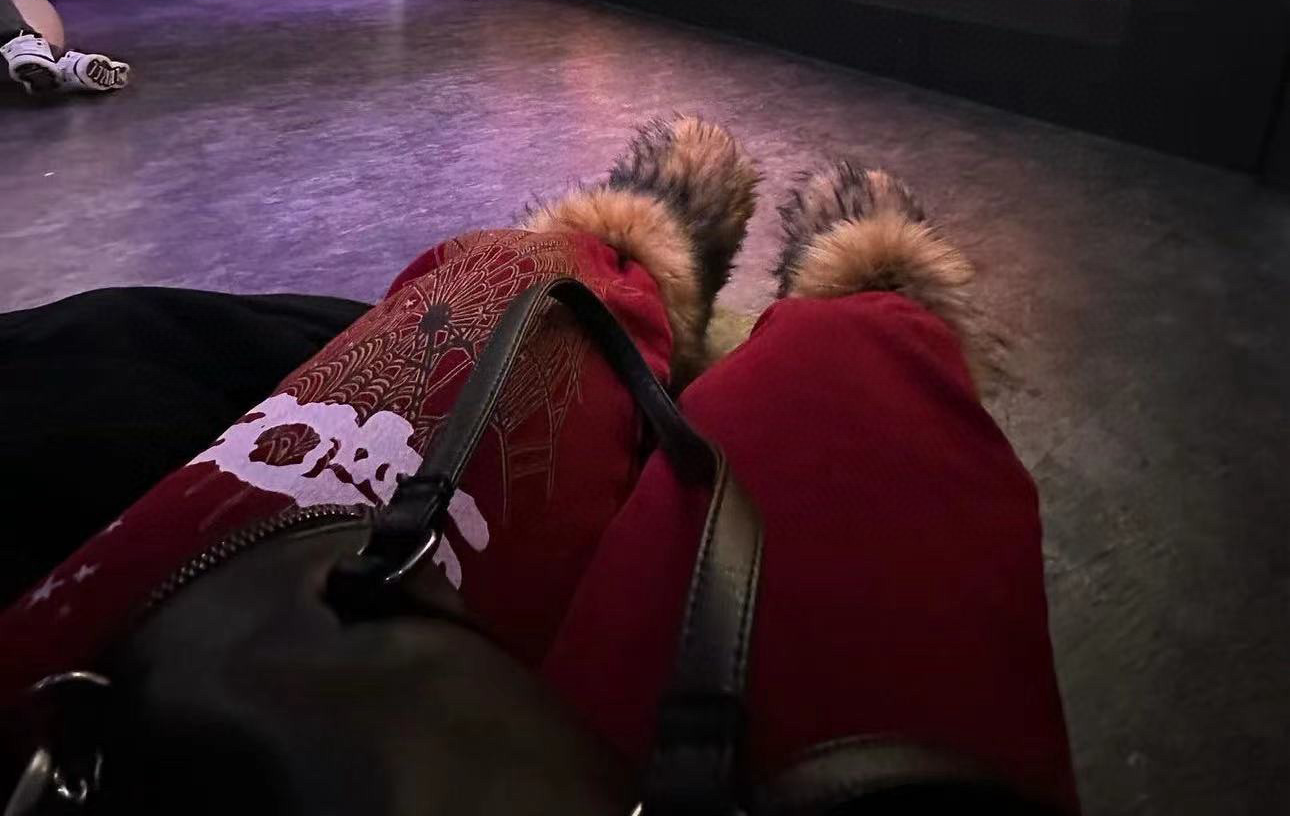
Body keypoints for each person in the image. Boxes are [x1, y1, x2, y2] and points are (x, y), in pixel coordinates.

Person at [0, 117, 1079, 813]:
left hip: (82, 720)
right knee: (849, 376)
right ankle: (831, 301)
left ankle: (626, 269)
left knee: (421, 337)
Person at [0, 0, 130, 97]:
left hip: (32, 36)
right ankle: (64, 68)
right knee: (27, 57)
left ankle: (29, 47)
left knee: (25, 52)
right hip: (29, 48)